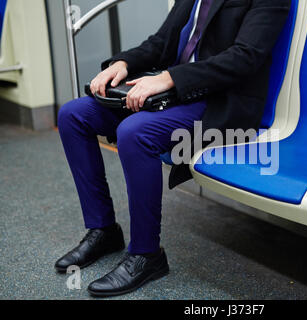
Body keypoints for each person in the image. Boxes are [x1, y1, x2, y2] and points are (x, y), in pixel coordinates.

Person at [55, 0, 291, 297]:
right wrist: (122, 63)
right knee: (73, 115)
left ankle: (146, 255)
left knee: (134, 133)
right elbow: (162, 41)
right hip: (172, 90)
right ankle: (103, 230)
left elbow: (245, 58)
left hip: (220, 100)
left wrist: (169, 79)